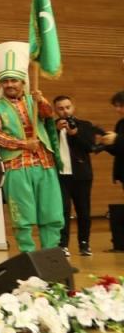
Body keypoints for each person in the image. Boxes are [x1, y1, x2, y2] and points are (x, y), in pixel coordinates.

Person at [0, 42, 62, 253]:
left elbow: (48, 116)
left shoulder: (34, 100)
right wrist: (24, 144)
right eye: (5, 81)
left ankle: (51, 253)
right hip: (17, 167)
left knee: (51, 213)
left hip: (44, 164)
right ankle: (28, 255)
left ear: (22, 82)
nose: (9, 84)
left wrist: (41, 100)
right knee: (22, 217)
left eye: (14, 80)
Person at [52, 95, 104, 257]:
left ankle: (84, 244)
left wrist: (74, 133)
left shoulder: (85, 125)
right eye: (60, 108)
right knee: (62, 211)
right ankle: (63, 245)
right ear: (55, 110)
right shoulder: (51, 127)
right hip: (60, 175)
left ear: (73, 107)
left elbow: (90, 147)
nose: (65, 111)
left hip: (82, 175)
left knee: (84, 211)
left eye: (67, 107)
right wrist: (55, 130)